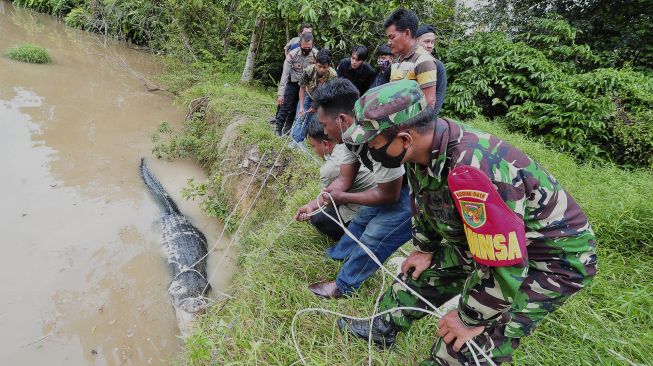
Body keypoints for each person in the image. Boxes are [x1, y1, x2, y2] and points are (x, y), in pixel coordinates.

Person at [337, 80, 598, 365]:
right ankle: (382, 329)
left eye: (373, 144)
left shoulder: (473, 169)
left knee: (469, 340)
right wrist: (425, 248)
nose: (370, 151)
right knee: (419, 273)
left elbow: (504, 262)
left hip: (549, 257)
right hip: (489, 243)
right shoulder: (423, 149)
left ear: (404, 138)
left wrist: (470, 318)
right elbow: (423, 201)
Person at [295, 78, 412, 298]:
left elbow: (390, 194)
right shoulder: (349, 136)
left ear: (341, 119)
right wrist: (312, 205)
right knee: (361, 221)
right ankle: (336, 256)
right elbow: (343, 181)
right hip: (387, 185)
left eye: (325, 124)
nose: (324, 132)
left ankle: (344, 286)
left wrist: (343, 196)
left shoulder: (377, 136)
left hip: (412, 190)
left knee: (376, 235)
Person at [304, 113, 377, 240]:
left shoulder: (329, 169)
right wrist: (312, 205)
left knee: (318, 218)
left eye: (313, 146)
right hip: (372, 192)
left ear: (325, 144)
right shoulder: (346, 143)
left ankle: (348, 236)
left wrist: (313, 208)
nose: (313, 151)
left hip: (369, 204)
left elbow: (329, 200)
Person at [384, 9, 438, 108]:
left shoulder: (423, 60)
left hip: (414, 123)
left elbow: (429, 103)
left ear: (406, 33)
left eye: (392, 37)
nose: (389, 42)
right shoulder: (397, 60)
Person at [291, 49, 337, 143]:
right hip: (308, 94)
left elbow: (328, 95)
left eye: (324, 67)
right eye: (319, 66)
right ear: (315, 63)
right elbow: (302, 88)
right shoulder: (308, 70)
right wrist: (302, 107)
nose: (321, 70)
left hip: (321, 100)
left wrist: (316, 106)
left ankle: (300, 142)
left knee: (310, 120)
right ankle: (294, 141)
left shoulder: (333, 76)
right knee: (300, 117)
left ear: (329, 66)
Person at [276, 33, 318, 136]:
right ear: (299, 44)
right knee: (286, 105)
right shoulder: (292, 54)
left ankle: (288, 129)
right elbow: (285, 74)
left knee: (296, 108)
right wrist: (281, 94)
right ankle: (278, 128)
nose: (306, 50)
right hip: (293, 83)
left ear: (312, 45)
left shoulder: (316, 55)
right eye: (304, 47)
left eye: (309, 47)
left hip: (306, 87)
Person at [416, 24, 447, 116]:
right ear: (415, 42)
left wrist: (430, 118)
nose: (430, 46)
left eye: (432, 42)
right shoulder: (406, 62)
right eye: (426, 41)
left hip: (424, 117)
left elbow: (440, 94)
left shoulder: (438, 65)